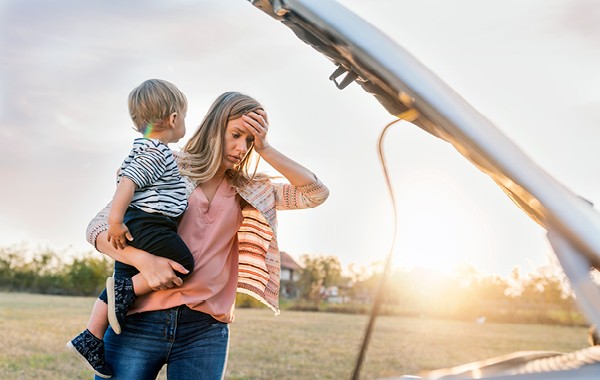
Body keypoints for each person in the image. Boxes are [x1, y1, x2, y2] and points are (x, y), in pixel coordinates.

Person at [81, 91, 329, 379]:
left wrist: (266, 149)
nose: (241, 148)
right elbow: (97, 228)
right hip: (139, 320)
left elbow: (315, 194)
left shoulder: (250, 190)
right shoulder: (167, 164)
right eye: (235, 134)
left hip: (204, 330)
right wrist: (146, 263)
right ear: (215, 127)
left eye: (249, 141)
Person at [67, 79, 195, 378]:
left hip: (141, 222)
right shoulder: (156, 152)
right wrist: (115, 221)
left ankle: (91, 336)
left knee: (121, 281)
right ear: (174, 119)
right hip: (149, 224)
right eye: (185, 117)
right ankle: (124, 293)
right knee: (183, 264)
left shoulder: (142, 148)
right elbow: (128, 182)